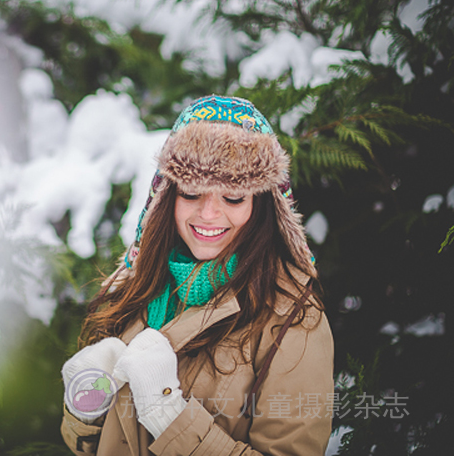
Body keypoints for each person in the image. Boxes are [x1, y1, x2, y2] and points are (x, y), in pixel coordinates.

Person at [60, 95, 334, 456]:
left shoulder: (293, 319)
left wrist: (169, 415)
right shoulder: (138, 288)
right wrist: (85, 410)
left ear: (262, 205)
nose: (208, 213)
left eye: (233, 197)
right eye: (191, 191)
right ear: (168, 195)